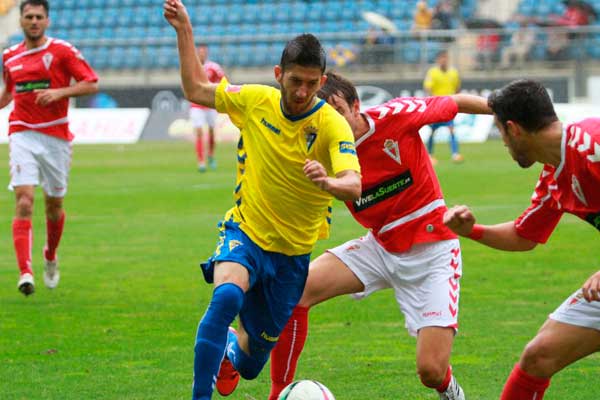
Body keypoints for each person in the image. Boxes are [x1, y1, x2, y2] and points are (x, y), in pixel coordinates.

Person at [163, 1, 362, 399]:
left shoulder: (331, 125)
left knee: (252, 365)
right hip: (246, 232)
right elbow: (196, 90)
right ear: (278, 75)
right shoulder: (256, 100)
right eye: (294, 81)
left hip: (291, 257)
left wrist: (329, 183)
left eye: (310, 82)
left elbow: (353, 184)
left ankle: (228, 355)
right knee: (226, 297)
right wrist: (185, 30)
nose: (302, 91)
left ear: (321, 80)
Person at [269, 72, 491, 400]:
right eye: (325, 115)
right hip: (381, 245)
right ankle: (278, 393)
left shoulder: (395, 117)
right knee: (294, 291)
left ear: (356, 106)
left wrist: (505, 110)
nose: (335, 122)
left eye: (339, 111)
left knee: (431, 371)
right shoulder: (321, 151)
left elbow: (454, 103)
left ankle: (452, 392)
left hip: (433, 251)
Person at [443, 79, 600, 400]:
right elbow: (523, 235)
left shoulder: (593, 144)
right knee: (539, 355)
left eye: (500, 132)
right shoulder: (554, 174)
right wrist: (470, 230)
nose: (502, 142)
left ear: (513, 129)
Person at [0, 0, 98, 296]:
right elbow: (8, 93)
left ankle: (50, 256)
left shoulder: (62, 51)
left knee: (54, 207)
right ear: (20, 21)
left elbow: (91, 83)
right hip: (22, 133)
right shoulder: (10, 57)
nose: (33, 21)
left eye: (38, 17)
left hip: (56, 137)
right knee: (25, 201)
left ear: (47, 21)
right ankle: (25, 272)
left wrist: (59, 92)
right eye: (28, 16)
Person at [188, 43, 225, 172]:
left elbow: (223, 81)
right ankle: (201, 161)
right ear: (197, 53)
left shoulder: (213, 67)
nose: (202, 54)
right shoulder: (192, 67)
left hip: (210, 103)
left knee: (211, 131)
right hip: (196, 104)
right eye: (200, 52)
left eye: (204, 51)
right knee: (198, 131)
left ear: (207, 53)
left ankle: (211, 155)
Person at [423, 50, 462, 165]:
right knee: (432, 131)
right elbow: (428, 88)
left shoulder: (454, 72)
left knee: (452, 129)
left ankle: (455, 154)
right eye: (441, 58)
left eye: (445, 58)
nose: (443, 60)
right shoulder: (432, 72)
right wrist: (432, 102)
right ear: (438, 60)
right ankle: (430, 155)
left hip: (449, 106)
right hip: (436, 106)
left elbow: (457, 87)